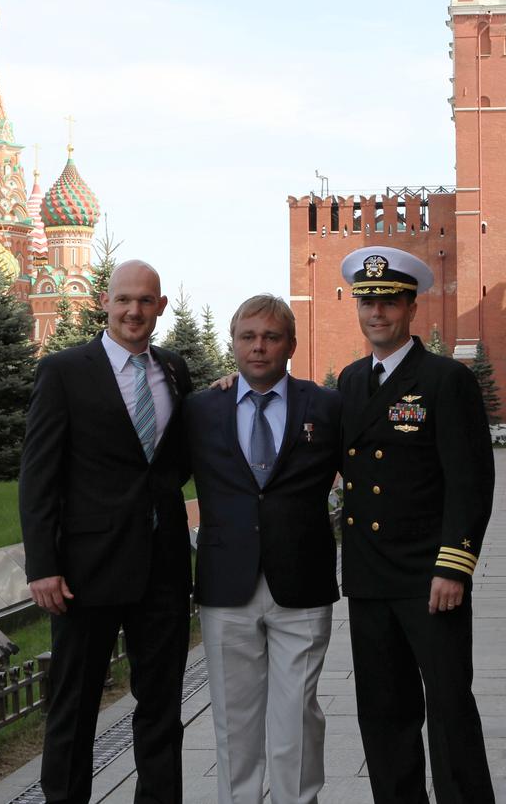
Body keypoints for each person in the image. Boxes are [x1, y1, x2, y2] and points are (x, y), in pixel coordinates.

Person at [19, 260, 193, 804]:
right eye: (123, 300)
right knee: (74, 706)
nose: (133, 311)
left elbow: (172, 460)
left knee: (162, 705)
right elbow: (39, 474)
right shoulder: (64, 371)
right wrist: (42, 564)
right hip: (84, 572)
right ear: (105, 302)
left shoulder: (174, 370)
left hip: (162, 568)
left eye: (145, 301)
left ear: (159, 306)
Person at [337, 246, 496, 803]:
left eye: (388, 301)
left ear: (410, 307)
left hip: (431, 580)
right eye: (367, 301)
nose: (376, 312)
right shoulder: (351, 382)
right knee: (384, 714)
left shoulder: (445, 380)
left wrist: (454, 566)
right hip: (369, 579)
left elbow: (470, 483)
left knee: (450, 709)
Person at [185, 295, 341, 804]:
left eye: (271, 337)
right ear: (232, 344)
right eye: (248, 336)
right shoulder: (202, 408)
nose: (259, 346)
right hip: (226, 585)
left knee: (296, 715)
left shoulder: (325, 406)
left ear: (291, 345)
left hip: (302, 582)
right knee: (234, 717)